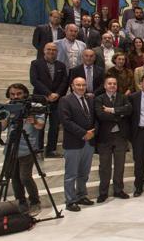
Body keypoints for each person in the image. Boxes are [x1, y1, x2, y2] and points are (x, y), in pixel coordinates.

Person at [2, 84, 44, 215]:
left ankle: (35, 202)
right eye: (12, 94)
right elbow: (3, 127)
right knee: (14, 177)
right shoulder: (9, 107)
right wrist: (5, 111)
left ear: (25, 93)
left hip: (28, 147)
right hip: (11, 147)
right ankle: (21, 202)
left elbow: (40, 126)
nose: (16, 96)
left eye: (19, 93)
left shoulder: (36, 106)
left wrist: (34, 121)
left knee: (25, 177)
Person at [59, 77, 96, 212]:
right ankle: (70, 200)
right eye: (78, 85)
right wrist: (83, 133)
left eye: (83, 85)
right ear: (72, 86)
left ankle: (81, 195)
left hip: (89, 141)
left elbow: (95, 118)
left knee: (84, 173)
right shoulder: (65, 100)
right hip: (74, 142)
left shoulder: (90, 99)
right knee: (71, 174)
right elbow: (66, 121)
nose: (81, 87)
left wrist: (92, 132)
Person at [94, 77, 131, 203]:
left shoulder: (122, 97)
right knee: (105, 166)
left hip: (120, 136)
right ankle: (103, 192)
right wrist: (119, 116)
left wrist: (112, 110)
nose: (112, 85)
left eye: (114, 83)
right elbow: (100, 115)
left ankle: (118, 190)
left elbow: (129, 110)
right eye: (109, 83)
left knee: (120, 165)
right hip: (105, 137)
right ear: (105, 86)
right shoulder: (99, 99)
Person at [30, 43, 68, 158]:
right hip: (40, 99)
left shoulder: (61, 65)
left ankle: (51, 150)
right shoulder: (36, 63)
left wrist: (57, 94)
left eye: (54, 50)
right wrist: (48, 93)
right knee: (39, 124)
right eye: (49, 49)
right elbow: (34, 80)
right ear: (44, 50)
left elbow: (64, 82)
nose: (51, 52)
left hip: (56, 100)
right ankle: (38, 148)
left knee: (55, 125)